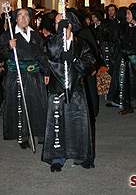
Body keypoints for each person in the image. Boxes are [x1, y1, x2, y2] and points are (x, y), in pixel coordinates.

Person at [42, 11, 95, 171]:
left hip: (76, 89)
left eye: (63, 22)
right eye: (57, 22)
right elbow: (49, 52)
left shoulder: (81, 44)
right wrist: (60, 35)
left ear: (71, 24)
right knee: (57, 123)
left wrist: (73, 59)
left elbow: (89, 65)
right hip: (57, 89)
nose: (60, 25)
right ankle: (57, 157)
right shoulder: (51, 41)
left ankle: (80, 156)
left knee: (78, 122)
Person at [0, 7, 49, 149]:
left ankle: (40, 132)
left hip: (35, 75)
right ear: (16, 19)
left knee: (38, 104)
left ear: (30, 18)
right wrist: (8, 47)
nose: (23, 18)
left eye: (26, 15)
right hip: (16, 76)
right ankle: (22, 135)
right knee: (18, 105)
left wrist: (46, 72)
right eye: (20, 16)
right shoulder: (9, 35)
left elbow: (42, 55)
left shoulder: (36, 34)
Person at [101, 4, 121, 108]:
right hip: (108, 49)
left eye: (112, 10)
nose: (110, 12)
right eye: (109, 10)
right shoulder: (105, 23)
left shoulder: (119, 22)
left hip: (117, 49)